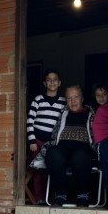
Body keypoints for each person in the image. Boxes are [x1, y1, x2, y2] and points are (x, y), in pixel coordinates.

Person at [45, 85, 96, 207]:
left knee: (80, 155)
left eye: (76, 97)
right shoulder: (63, 114)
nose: (73, 101)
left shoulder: (92, 113)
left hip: (82, 150)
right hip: (63, 150)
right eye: (69, 98)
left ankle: (83, 194)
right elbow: (54, 134)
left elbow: (97, 134)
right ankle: (60, 194)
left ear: (82, 98)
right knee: (53, 152)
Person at [27, 70, 65, 204]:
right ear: (45, 83)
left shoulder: (63, 102)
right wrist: (32, 140)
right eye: (49, 79)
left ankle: (51, 197)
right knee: (38, 170)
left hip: (52, 143)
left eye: (55, 79)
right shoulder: (38, 100)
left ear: (59, 83)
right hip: (37, 141)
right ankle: (39, 198)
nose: (52, 82)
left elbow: (63, 123)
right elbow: (30, 121)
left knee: (52, 169)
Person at [92, 84, 108, 195]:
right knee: (104, 166)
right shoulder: (98, 109)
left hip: (106, 142)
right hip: (100, 144)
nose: (101, 97)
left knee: (107, 166)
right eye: (98, 95)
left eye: (104, 94)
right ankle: (106, 190)